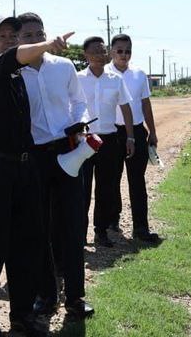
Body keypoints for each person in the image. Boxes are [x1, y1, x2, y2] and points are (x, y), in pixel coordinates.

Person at [0, 16, 74, 337]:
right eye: (0, 36)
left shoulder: (19, 75)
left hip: (25, 169)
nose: (9, 40)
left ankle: (22, 314)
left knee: (26, 245)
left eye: (13, 36)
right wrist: (48, 44)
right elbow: (11, 59)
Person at [17, 13, 94, 320]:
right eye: (28, 35)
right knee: (39, 228)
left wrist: (80, 122)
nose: (36, 39)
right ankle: (46, 295)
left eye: (40, 33)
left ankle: (75, 296)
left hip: (68, 150)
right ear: (18, 40)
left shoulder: (63, 66)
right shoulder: (14, 73)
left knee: (72, 224)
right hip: (34, 156)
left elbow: (79, 101)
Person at [76, 37, 133, 248]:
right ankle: (79, 234)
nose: (100, 55)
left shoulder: (116, 79)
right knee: (81, 189)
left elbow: (126, 108)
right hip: (84, 140)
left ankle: (101, 232)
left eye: (103, 51)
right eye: (95, 52)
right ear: (86, 55)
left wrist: (130, 137)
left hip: (108, 141)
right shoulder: (77, 79)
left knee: (105, 188)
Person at [107, 34, 161, 243]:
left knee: (137, 180)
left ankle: (141, 228)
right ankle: (112, 220)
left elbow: (146, 105)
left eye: (127, 51)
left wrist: (152, 132)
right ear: (111, 51)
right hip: (112, 133)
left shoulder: (139, 75)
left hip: (137, 132)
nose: (124, 55)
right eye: (119, 50)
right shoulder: (104, 74)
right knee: (112, 178)